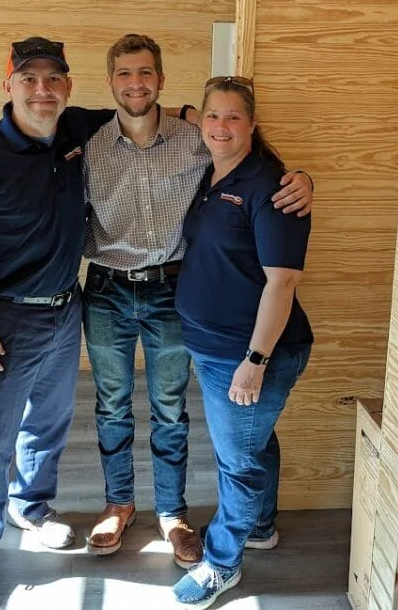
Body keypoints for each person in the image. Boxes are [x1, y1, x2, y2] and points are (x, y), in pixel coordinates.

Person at [81, 35, 314, 568]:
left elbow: (255, 161)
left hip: (169, 291)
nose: (135, 83)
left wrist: (302, 179)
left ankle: (172, 514)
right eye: (123, 74)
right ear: (111, 81)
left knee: (170, 411)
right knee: (111, 407)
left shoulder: (196, 139)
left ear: (162, 80)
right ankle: (118, 504)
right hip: (106, 290)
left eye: (145, 73)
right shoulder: (87, 144)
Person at [0, 37, 116, 607]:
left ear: (68, 86)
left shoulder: (75, 132)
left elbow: (141, 107)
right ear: (8, 85)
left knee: (48, 425)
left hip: (68, 308)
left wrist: (190, 114)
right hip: (6, 319)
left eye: (54, 78)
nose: (43, 90)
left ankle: (30, 508)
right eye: (30, 79)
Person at [169, 75, 314, 609]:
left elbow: (283, 282)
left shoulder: (272, 189)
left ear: (253, 126)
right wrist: (189, 110)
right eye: (213, 116)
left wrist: (254, 361)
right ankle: (263, 527)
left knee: (239, 461)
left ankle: (222, 564)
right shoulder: (216, 170)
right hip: (214, 348)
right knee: (255, 442)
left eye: (234, 117)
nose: (221, 126)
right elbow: (187, 114)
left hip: (250, 354)